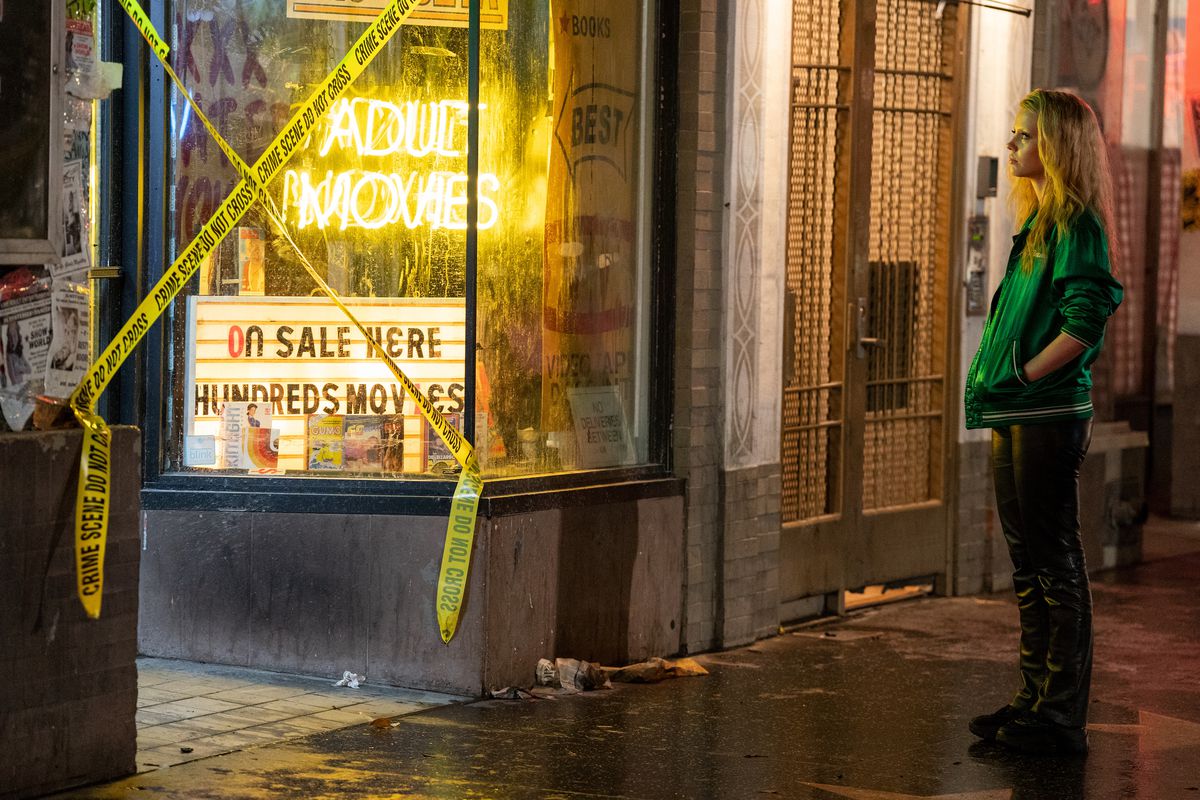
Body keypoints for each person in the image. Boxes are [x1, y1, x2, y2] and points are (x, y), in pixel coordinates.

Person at [964, 89, 1123, 756]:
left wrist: (1027, 374)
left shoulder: (1077, 225)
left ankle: (1059, 716)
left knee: (1054, 563)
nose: (1012, 145)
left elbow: (1086, 319)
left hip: (1047, 415)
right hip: (1016, 411)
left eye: (1024, 136)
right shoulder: (1040, 224)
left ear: (1054, 147)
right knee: (1028, 565)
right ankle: (1034, 699)